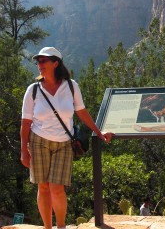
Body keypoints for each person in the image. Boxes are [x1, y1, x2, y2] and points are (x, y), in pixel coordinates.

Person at [20, 47, 114, 229]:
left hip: (64, 143)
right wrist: (24, 150)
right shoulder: (33, 90)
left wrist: (99, 132)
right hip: (38, 142)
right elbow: (25, 123)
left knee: (57, 187)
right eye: (38, 61)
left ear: (55, 63)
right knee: (43, 187)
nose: (39, 65)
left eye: (43, 61)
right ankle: (48, 227)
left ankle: (61, 226)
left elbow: (82, 112)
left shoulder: (71, 86)